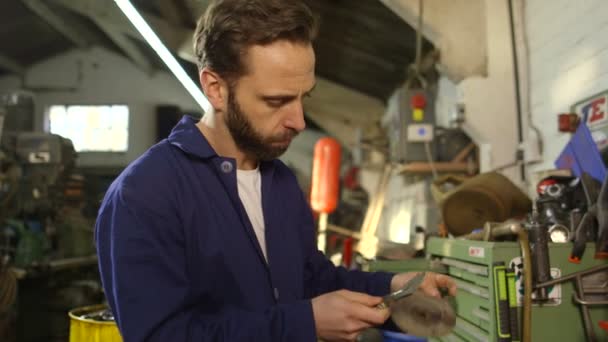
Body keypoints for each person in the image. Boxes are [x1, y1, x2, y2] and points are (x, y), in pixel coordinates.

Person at [95, 0, 457, 341]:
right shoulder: (144, 194)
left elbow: (310, 278)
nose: (299, 121)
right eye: (276, 101)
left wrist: (393, 288)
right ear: (215, 88)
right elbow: (162, 336)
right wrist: (305, 321)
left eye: (304, 98)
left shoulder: (279, 181)